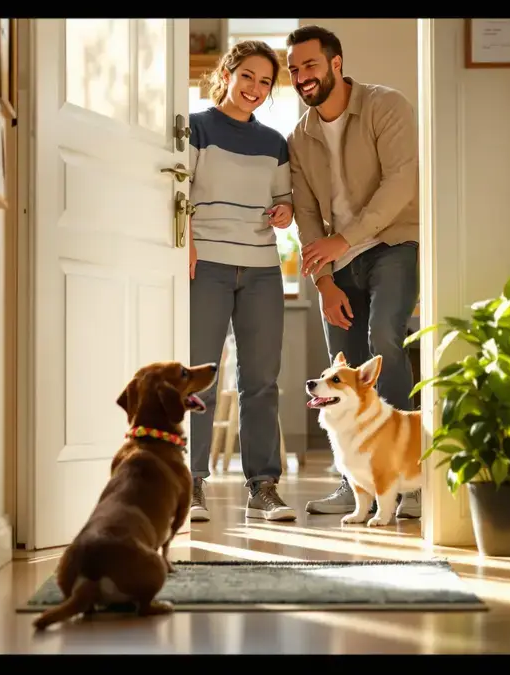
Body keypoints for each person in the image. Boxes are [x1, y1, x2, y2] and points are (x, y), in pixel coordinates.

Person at [284, 25, 422, 519]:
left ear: (336, 63)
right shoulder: (298, 137)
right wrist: (321, 281)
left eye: (310, 65)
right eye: (295, 69)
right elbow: (304, 214)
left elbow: (402, 182)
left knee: (386, 338)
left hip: (393, 242)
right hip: (337, 263)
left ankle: (410, 483)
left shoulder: (387, 106)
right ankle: (357, 483)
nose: (302, 77)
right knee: (345, 365)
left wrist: (347, 237)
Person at [187, 40, 296, 523]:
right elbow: (177, 190)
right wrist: (184, 248)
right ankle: (190, 482)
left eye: (266, 81)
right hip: (205, 263)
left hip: (261, 269)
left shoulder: (274, 142)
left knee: (261, 381)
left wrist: (284, 211)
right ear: (227, 73)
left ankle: (263, 486)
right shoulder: (196, 127)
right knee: (197, 380)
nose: (255, 88)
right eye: (247, 76)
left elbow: (285, 202)